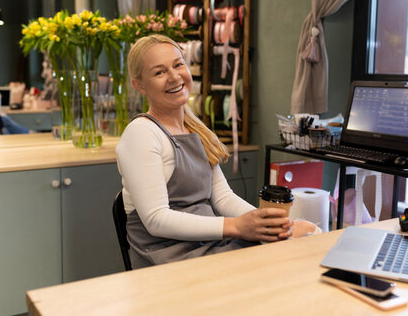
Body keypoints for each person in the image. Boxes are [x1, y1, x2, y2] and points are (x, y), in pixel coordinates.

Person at [116, 35, 320, 269]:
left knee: (307, 233)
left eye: (178, 64)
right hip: (169, 258)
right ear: (139, 85)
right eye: (159, 72)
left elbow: (222, 197)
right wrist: (238, 226)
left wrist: (266, 225)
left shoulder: (194, 128)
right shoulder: (141, 133)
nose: (174, 76)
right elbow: (156, 220)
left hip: (205, 245)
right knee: (283, 263)